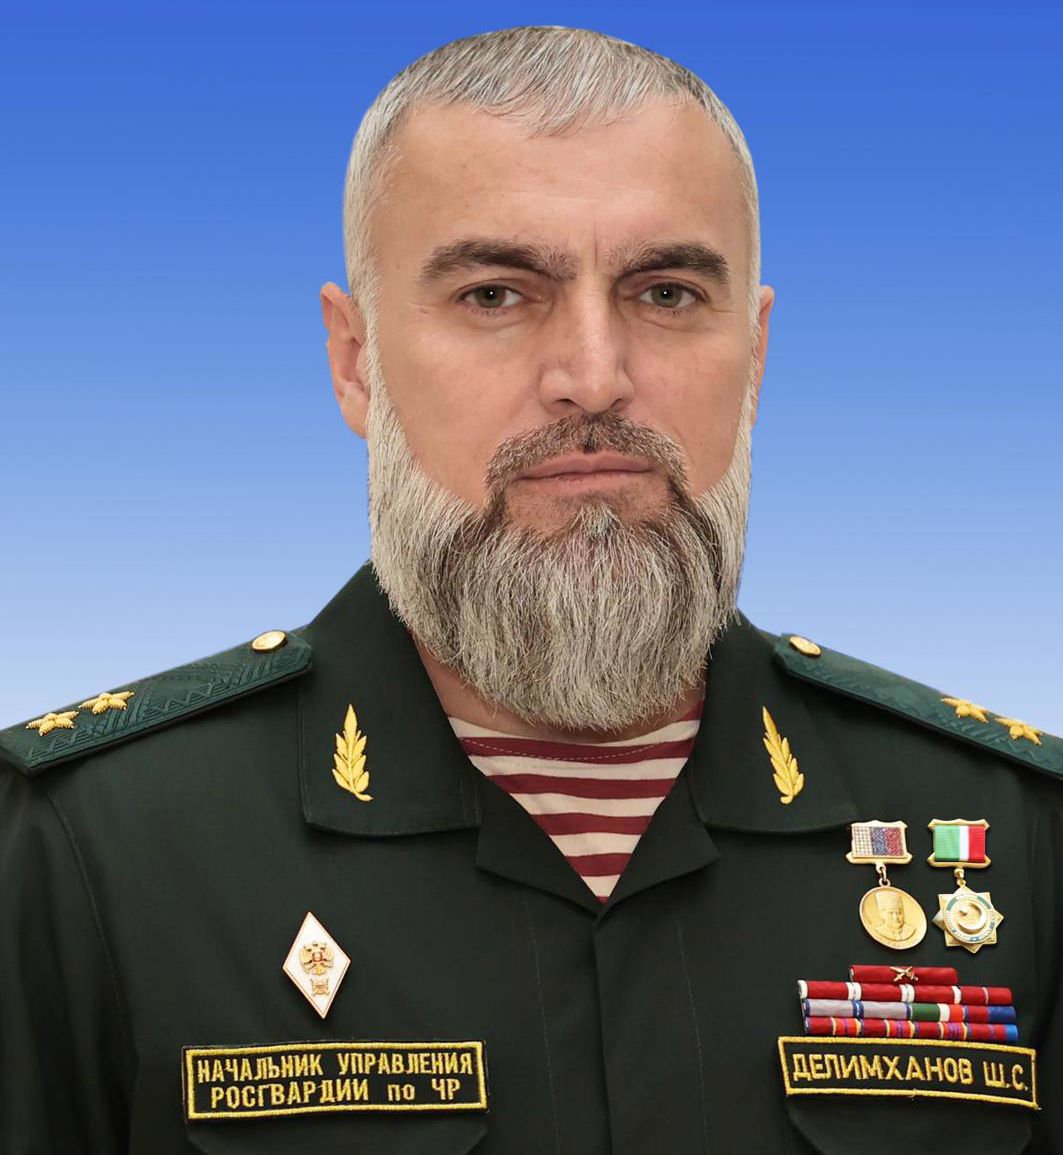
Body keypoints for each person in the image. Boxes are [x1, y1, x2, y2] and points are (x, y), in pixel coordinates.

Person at [1, 25, 1060, 1154]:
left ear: (753, 355)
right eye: (496, 293)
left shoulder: (1017, 832)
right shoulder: (85, 846)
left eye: (666, 292)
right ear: (355, 362)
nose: (593, 378)